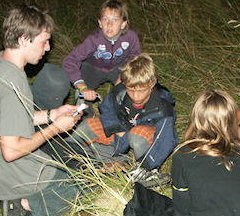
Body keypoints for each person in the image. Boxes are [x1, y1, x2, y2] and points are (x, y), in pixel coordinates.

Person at [0, 4, 84, 216]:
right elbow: (11, 151)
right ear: (24, 39)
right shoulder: (13, 81)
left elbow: (13, 118)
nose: (48, 48)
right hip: (10, 176)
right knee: (80, 188)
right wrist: (55, 129)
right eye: (44, 41)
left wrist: (53, 114)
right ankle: (22, 204)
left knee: (67, 170)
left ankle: (20, 199)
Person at [72, 54, 176, 188]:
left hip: (145, 141)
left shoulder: (161, 106)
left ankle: (147, 173)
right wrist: (116, 128)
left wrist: (147, 164)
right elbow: (107, 109)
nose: (136, 96)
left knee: (136, 136)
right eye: (131, 90)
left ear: (152, 84)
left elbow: (167, 139)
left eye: (141, 91)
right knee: (85, 127)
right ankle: (77, 158)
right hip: (122, 133)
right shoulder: (119, 92)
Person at [62, 0, 142, 102]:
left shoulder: (131, 37)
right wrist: (82, 86)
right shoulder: (93, 39)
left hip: (119, 68)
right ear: (100, 23)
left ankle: (122, 110)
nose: (109, 24)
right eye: (105, 19)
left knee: (132, 88)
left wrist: (123, 76)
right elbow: (70, 60)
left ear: (123, 24)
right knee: (81, 95)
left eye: (115, 20)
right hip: (94, 68)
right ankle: (84, 111)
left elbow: (135, 58)